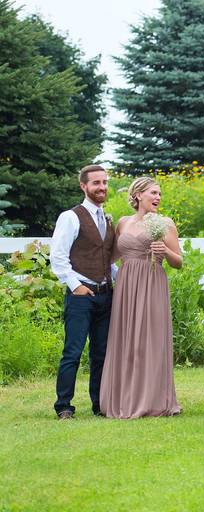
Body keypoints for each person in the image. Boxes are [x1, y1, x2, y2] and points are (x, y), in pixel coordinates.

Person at [100, 177, 182, 418]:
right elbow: (112, 256)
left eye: (159, 194)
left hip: (152, 281)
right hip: (126, 286)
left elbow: (179, 262)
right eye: (153, 193)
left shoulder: (164, 223)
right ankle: (124, 396)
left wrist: (164, 251)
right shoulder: (123, 223)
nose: (158, 198)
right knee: (126, 339)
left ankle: (153, 399)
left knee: (150, 338)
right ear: (137, 196)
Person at [50, 165, 115, 419]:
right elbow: (58, 256)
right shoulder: (71, 216)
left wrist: (127, 278)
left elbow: (107, 260)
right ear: (83, 186)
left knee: (101, 353)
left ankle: (99, 404)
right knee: (73, 352)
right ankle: (64, 405)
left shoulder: (107, 219)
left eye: (105, 182)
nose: (102, 187)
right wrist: (76, 285)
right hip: (80, 296)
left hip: (105, 295)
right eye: (96, 183)